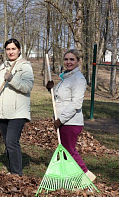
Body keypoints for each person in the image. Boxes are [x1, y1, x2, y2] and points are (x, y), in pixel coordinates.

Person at [0, 38, 34, 176]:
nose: (11, 52)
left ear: (19, 50)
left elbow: (27, 87)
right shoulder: (3, 67)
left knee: (12, 141)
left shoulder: (25, 66)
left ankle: (16, 174)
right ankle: (12, 168)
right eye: (8, 49)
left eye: (13, 49)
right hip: (3, 110)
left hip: (18, 111)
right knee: (8, 144)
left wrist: (13, 79)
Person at [46, 49, 96, 181]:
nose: (68, 62)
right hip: (62, 121)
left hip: (71, 121)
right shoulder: (65, 77)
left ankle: (86, 175)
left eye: (72, 59)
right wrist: (51, 89)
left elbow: (76, 104)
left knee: (68, 150)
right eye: (66, 59)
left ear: (78, 61)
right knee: (64, 149)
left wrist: (61, 120)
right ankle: (67, 176)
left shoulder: (78, 79)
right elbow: (59, 98)